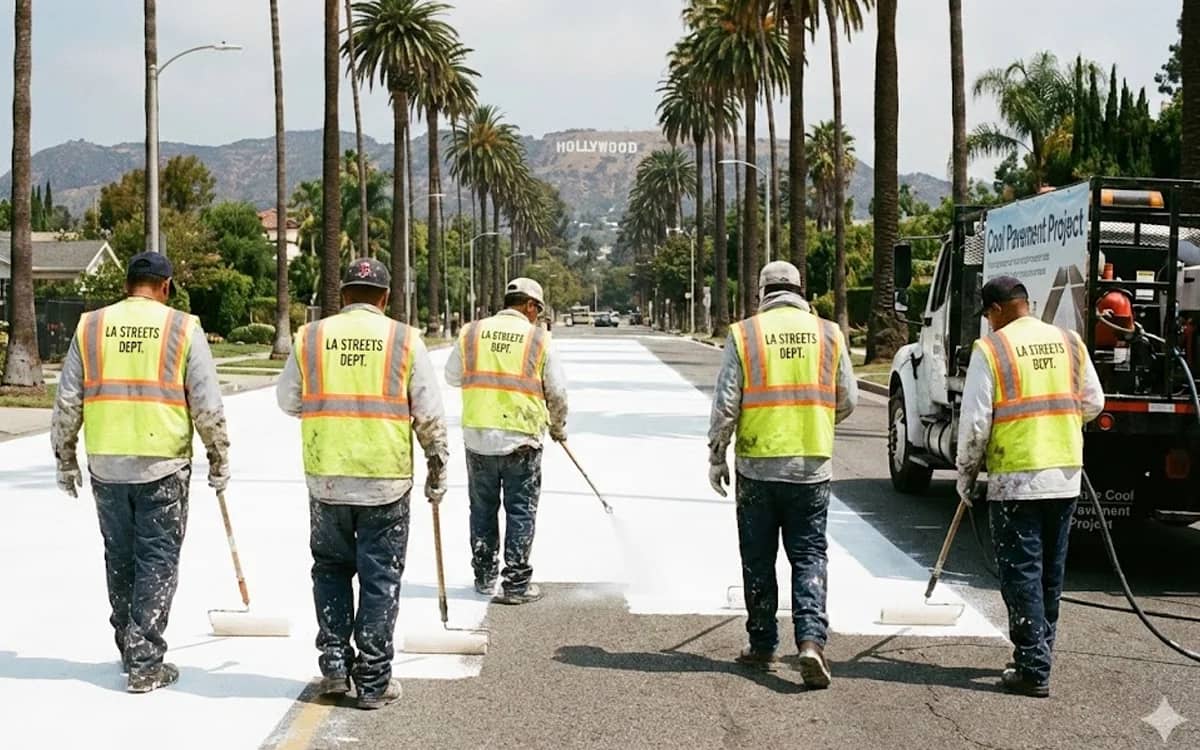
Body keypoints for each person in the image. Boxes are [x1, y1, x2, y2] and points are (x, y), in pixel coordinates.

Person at [50, 251, 230, 694]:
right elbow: (206, 403)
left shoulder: (91, 326)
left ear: (127, 283)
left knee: (121, 556)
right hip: (163, 465)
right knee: (157, 560)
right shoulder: (182, 327)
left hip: (107, 464)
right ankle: (145, 660)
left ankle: (128, 647)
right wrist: (219, 455)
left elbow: (68, 399)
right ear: (165, 286)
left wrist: (64, 457)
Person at [276, 258, 449, 710]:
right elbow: (427, 412)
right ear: (386, 298)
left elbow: (287, 400)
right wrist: (437, 461)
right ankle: (372, 681)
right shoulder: (404, 340)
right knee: (380, 578)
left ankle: (334, 665)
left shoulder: (311, 337)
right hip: (385, 479)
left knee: (330, 569)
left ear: (344, 295)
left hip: (327, 477)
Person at [708, 261, 857, 689]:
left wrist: (717, 455)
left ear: (762, 293)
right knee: (809, 555)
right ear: (799, 290)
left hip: (757, 466)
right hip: (811, 466)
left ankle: (762, 644)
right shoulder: (829, 333)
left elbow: (726, 404)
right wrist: (814, 420)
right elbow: (846, 398)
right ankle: (811, 641)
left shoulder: (746, 334)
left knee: (758, 558)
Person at [957, 275, 1103, 698]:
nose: (988, 322)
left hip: (1017, 479)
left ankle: (1032, 668)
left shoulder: (992, 349)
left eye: (987, 314)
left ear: (998, 309)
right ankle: (1041, 651)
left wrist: (966, 476)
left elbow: (976, 424)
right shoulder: (1069, 340)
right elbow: (1094, 402)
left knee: (1021, 572)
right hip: (1065, 474)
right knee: (1050, 574)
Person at [444, 278, 568, 605]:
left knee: (482, 510)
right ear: (529, 305)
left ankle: (484, 578)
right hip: (522, 440)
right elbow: (556, 391)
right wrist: (558, 426)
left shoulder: (471, 333)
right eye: (537, 311)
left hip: (479, 438)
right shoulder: (538, 340)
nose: (537, 317)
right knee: (521, 511)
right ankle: (515, 585)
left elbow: (452, 376)